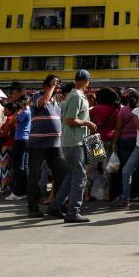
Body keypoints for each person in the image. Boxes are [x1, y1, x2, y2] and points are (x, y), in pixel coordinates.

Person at [54, 70, 97, 223]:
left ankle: (56, 205)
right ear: (87, 81)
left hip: (72, 141)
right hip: (75, 142)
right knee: (80, 177)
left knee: (72, 175)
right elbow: (70, 120)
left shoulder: (74, 96)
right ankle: (73, 211)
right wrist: (88, 123)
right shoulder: (77, 96)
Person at [26, 75, 69, 218]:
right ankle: (33, 207)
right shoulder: (36, 96)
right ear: (45, 86)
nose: (56, 88)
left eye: (58, 85)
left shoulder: (57, 102)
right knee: (34, 176)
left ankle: (56, 206)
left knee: (62, 174)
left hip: (55, 144)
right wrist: (51, 87)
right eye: (53, 85)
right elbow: (42, 102)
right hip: (38, 144)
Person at [110, 89, 139, 200]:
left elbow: (118, 128)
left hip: (124, 141)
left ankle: (125, 192)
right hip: (138, 141)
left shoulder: (122, 111)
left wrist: (114, 142)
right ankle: (135, 193)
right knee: (137, 167)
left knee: (126, 168)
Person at [6, 92, 31, 202]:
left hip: (20, 139)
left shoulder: (24, 112)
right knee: (24, 167)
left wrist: (17, 111)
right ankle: (24, 190)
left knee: (18, 166)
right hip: (26, 139)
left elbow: (11, 121)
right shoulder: (30, 111)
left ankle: (19, 192)